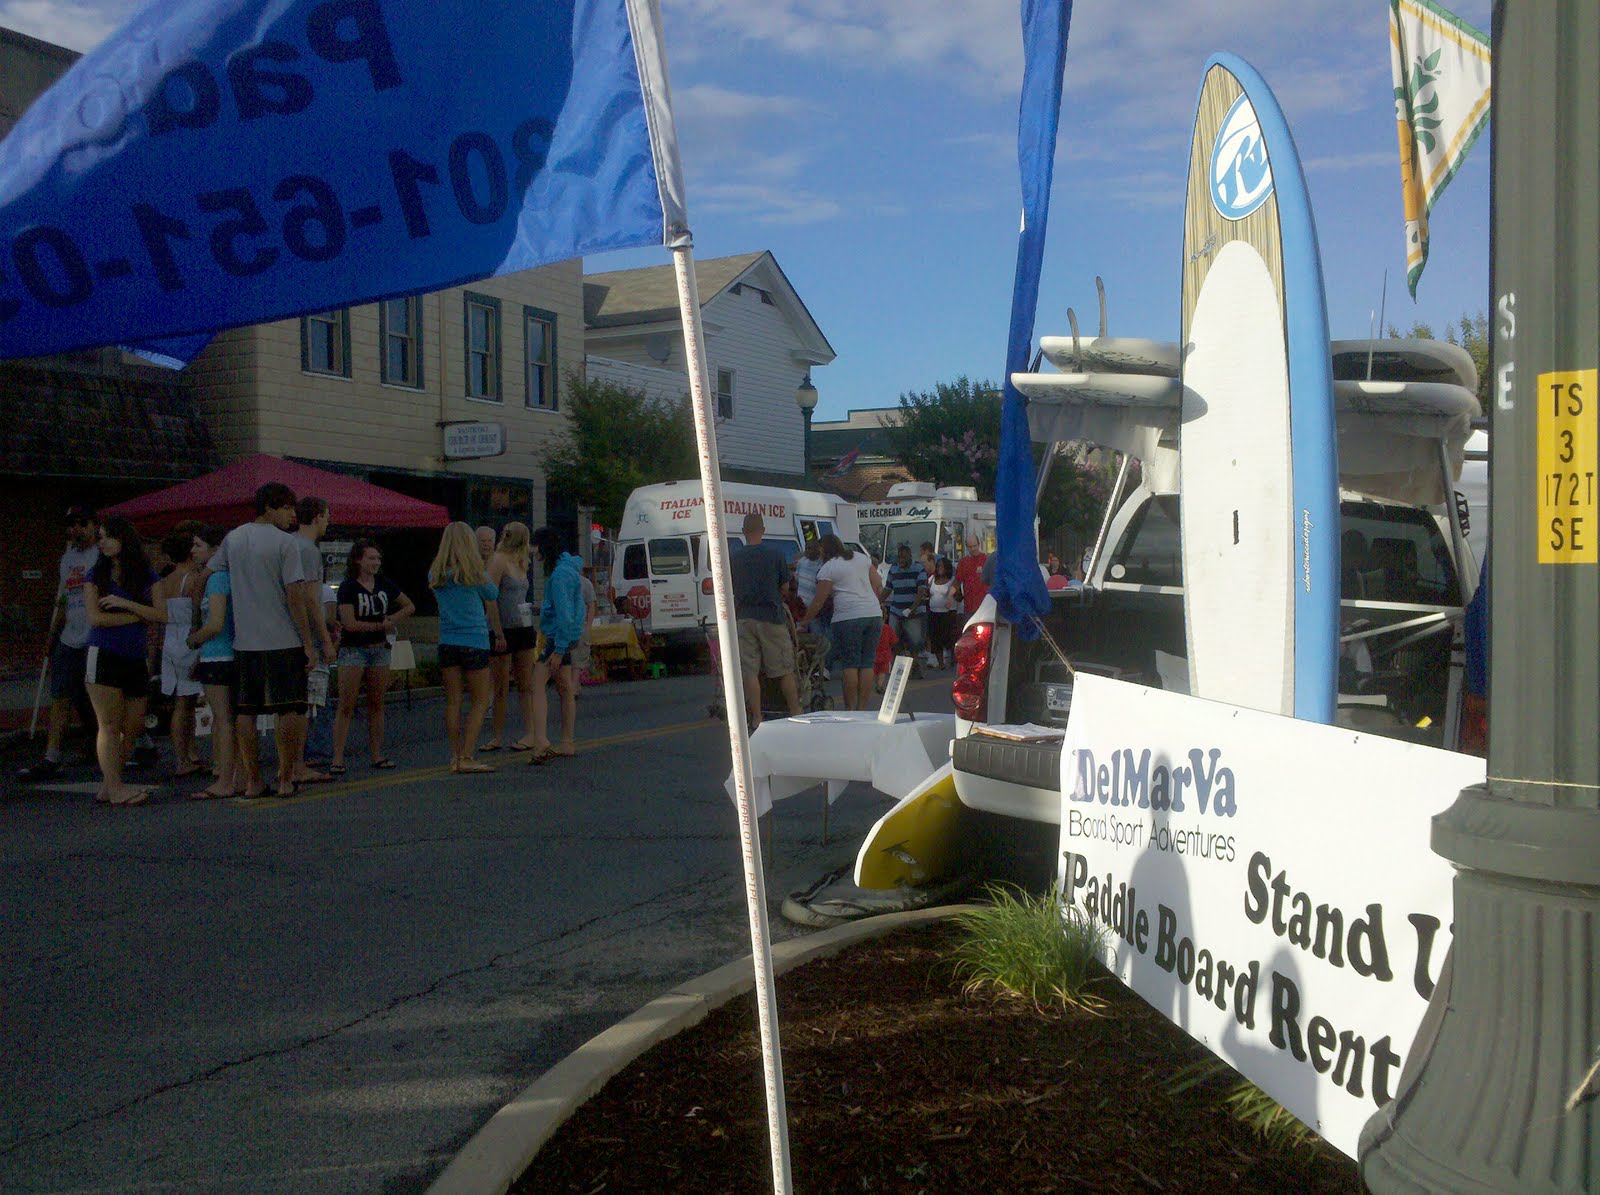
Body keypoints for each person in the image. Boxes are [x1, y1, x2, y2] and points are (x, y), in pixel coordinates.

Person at [207, 482, 316, 798]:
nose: (292, 515)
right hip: (282, 638)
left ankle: (253, 779)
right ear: (270, 507)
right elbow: (295, 594)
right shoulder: (286, 543)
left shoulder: (233, 538)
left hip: (246, 641)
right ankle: (285, 776)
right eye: (287, 508)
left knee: (246, 710)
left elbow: (209, 572)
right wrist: (307, 642)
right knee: (289, 708)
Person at [82, 518, 163, 806]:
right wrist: (138, 616)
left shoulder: (146, 575)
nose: (102, 542)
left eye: (108, 537)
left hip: (135, 655)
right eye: (100, 537)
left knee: (134, 724)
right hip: (103, 652)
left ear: (124, 539)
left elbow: (161, 614)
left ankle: (109, 784)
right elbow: (96, 618)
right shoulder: (95, 575)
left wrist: (126, 604)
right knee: (108, 723)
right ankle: (116, 788)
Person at [16, 506, 100, 782]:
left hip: (95, 635)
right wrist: (53, 635)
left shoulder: (101, 555)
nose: (76, 529)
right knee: (61, 695)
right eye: (71, 525)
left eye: (82, 523)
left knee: (102, 695)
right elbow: (63, 599)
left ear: (94, 525)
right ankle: (51, 756)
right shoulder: (67, 559)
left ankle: (135, 742)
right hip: (70, 637)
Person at [330, 540, 415, 773]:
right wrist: (379, 626)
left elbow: (409, 606)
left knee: (376, 703)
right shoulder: (348, 587)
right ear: (358, 560)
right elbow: (349, 623)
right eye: (371, 558)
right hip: (354, 650)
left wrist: (392, 619)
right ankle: (337, 757)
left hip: (379, 649)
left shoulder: (384, 584)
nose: (376, 562)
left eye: (378, 558)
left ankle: (377, 754)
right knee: (347, 704)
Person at [430, 522, 504, 774]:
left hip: (447, 640)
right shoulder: (474, 572)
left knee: (453, 701)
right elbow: (492, 593)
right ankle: (467, 755)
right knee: (479, 701)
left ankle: (454, 755)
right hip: (474, 640)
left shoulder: (436, 573)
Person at [187, 525, 245, 798]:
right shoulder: (233, 578)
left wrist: (193, 640)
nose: (193, 551)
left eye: (198, 545)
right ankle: (238, 775)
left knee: (223, 719)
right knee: (233, 718)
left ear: (215, 550)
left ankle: (224, 778)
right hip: (232, 653)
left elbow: (215, 624)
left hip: (217, 654)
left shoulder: (217, 579)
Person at [730, 512, 799, 729]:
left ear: (743, 532)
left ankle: (757, 717)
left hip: (744, 618)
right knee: (783, 668)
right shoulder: (775, 554)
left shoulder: (735, 558)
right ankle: (795, 711)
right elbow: (785, 587)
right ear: (763, 530)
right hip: (771, 616)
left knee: (750, 671)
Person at [800, 534, 883, 711]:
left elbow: (819, 600)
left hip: (847, 617)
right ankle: (862, 708)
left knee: (850, 664)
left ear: (825, 549)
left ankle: (850, 709)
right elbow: (877, 582)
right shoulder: (861, 558)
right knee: (867, 664)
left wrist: (805, 621)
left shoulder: (828, 568)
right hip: (873, 614)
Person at [152, 526, 210, 779]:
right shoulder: (194, 579)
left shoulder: (163, 582)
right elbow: (198, 613)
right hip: (188, 639)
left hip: (170, 640)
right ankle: (182, 759)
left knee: (183, 701)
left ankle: (189, 754)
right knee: (185, 703)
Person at [526, 525, 585, 764]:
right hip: (566, 637)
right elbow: (573, 609)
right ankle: (567, 741)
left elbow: (565, 614)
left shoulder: (559, 575)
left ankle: (540, 740)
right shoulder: (569, 570)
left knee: (536, 685)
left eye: (535, 546)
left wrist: (558, 650)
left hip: (555, 638)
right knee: (565, 688)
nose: (533, 552)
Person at [293, 496, 338, 777]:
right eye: (327, 516)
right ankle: (302, 760)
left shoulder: (287, 545)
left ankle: (292, 760)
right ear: (318, 516)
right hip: (306, 635)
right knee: (310, 700)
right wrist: (323, 640)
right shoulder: (308, 550)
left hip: (284, 632)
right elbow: (311, 599)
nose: (328, 522)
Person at [484, 522, 537, 752]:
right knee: (501, 685)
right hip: (503, 628)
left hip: (522, 626)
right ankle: (497, 736)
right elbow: (490, 598)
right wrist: (497, 632)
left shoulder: (522, 562)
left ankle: (531, 733)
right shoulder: (498, 561)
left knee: (525, 683)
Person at [884, 543, 930, 669]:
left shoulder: (919, 569)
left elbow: (921, 591)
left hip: (915, 611)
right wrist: (877, 603)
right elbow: (887, 589)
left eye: (903, 557)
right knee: (893, 639)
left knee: (915, 642)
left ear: (910, 556)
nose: (901, 560)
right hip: (896, 610)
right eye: (899, 557)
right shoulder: (893, 569)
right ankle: (898, 667)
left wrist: (912, 609)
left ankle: (915, 666)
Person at [927, 556, 960, 669]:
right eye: (938, 566)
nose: (939, 568)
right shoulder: (932, 579)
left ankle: (953, 660)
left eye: (942, 566)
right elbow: (928, 592)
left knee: (950, 638)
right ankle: (941, 663)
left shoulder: (952, 580)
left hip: (948, 613)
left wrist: (952, 596)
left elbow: (959, 596)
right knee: (936, 638)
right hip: (934, 613)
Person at [951, 532, 989, 617]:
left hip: (985, 606)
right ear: (967, 547)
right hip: (969, 607)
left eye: (975, 546)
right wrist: (949, 596)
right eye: (970, 547)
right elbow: (957, 581)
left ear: (979, 545)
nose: (973, 549)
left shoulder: (986, 560)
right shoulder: (963, 562)